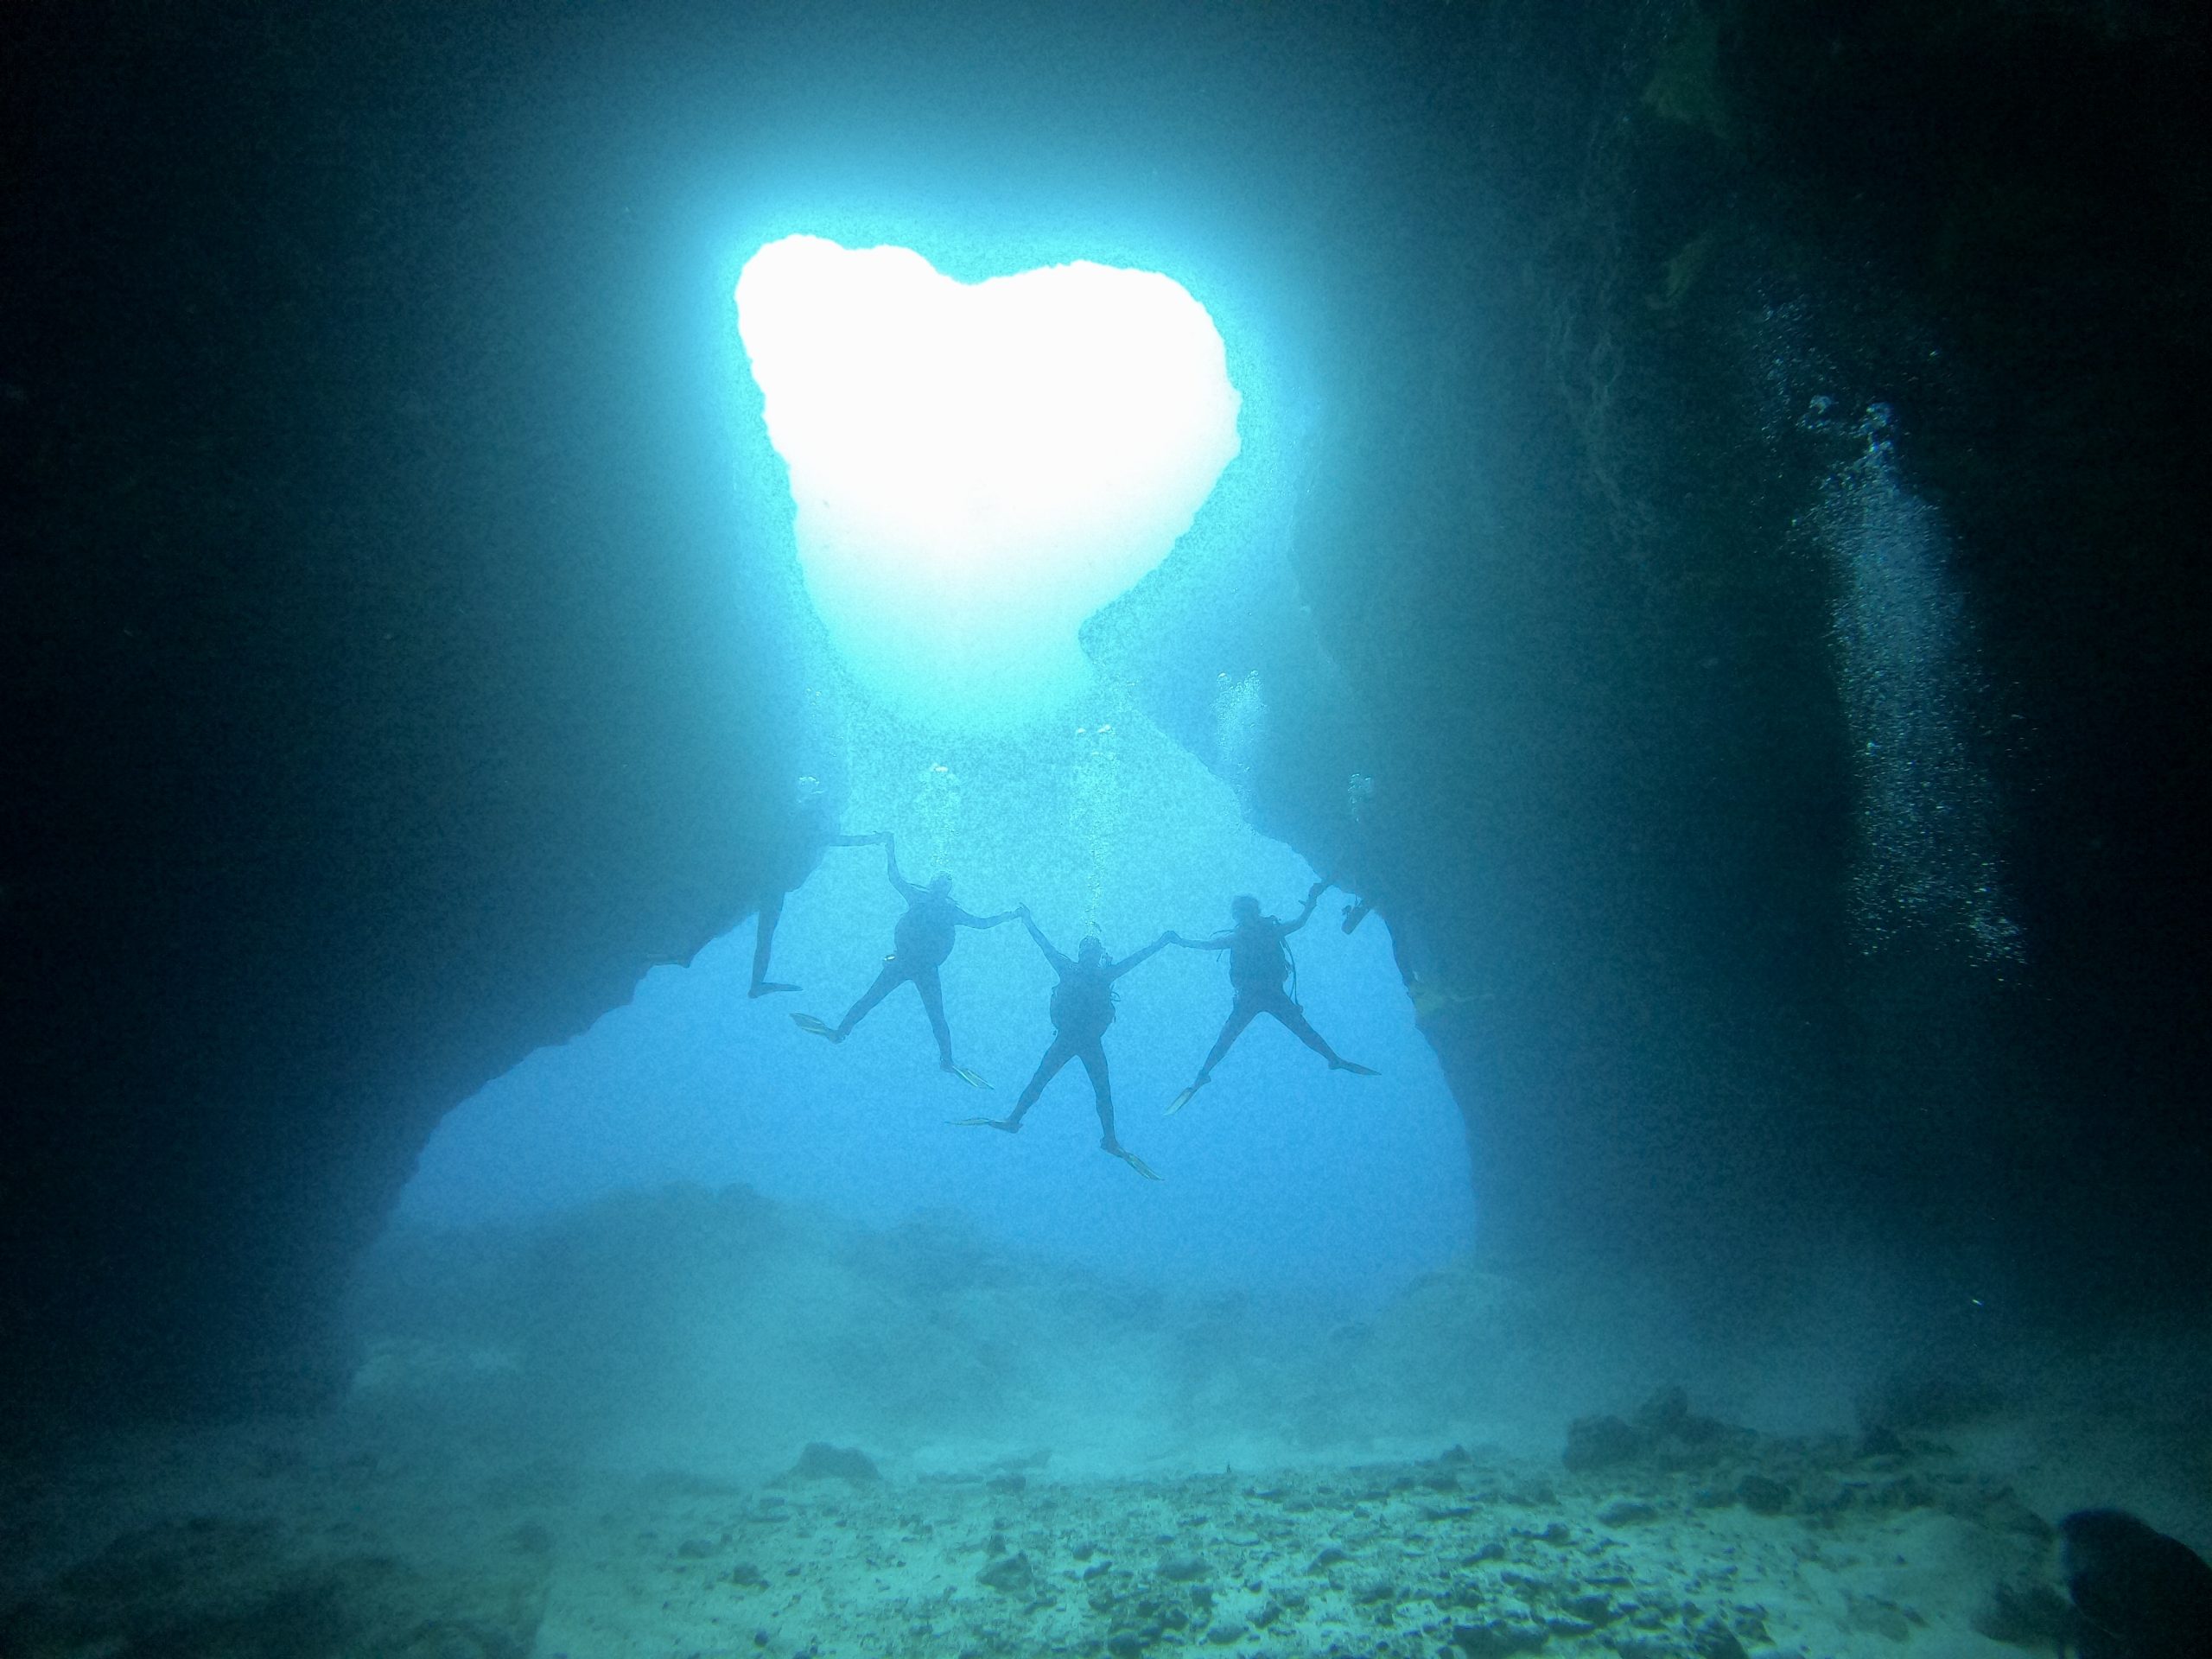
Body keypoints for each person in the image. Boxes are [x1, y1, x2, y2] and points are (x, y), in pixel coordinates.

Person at [957, 906, 1173, 1179]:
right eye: (1087, 952)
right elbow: (1044, 944)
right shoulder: (1087, 971)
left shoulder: (1082, 970)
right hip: (1076, 1039)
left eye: (1093, 953)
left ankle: (1105, 1138)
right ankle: (1018, 1120)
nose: (1090, 957)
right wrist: (1028, 920)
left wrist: (1162, 943)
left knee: (1092, 1089)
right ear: (1083, 954)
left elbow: (1136, 958)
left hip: (1080, 1040)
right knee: (1048, 1082)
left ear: (1097, 955)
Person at [791, 834, 1015, 1085]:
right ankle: (946, 1060)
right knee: (915, 1011)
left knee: (885, 1003)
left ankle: (842, 1033)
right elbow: (981, 923)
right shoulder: (940, 906)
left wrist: (890, 848)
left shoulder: (928, 901)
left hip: (909, 963)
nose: (939, 887)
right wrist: (1009, 916)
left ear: (939, 887)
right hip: (916, 965)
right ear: (938, 887)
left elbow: (896, 878)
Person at [1166, 880, 1376, 1112]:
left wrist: (1311, 902)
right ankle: (1203, 1074)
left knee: (1297, 1030)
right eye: (1241, 913)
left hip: (1262, 995)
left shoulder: (1256, 933)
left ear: (1251, 913)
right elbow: (1298, 922)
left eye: (1244, 912)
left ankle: (1334, 1059)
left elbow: (1298, 923)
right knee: (1229, 1037)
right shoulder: (1257, 933)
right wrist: (1180, 941)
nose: (1243, 917)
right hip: (1258, 996)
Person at [750, 777, 885, 998]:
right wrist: (873, 839)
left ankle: (757, 983)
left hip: (772, 877)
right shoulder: (810, 822)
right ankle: (756, 984)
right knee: (765, 933)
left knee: (765, 934)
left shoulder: (804, 816)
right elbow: (838, 840)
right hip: (774, 880)